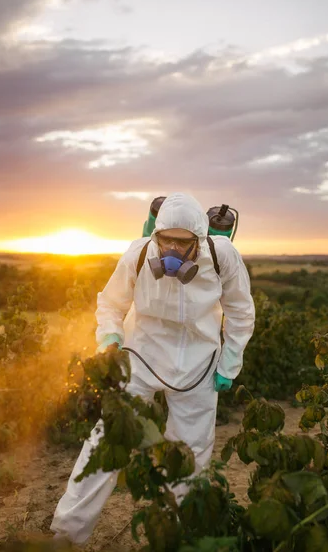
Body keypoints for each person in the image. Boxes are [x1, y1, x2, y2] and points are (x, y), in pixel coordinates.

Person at [50, 192, 255, 546]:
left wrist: (230, 363)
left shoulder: (224, 257)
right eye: (166, 241)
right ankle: (66, 535)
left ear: (202, 241)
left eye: (183, 243)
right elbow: (110, 304)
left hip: (199, 365)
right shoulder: (139, 253)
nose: (173, 250)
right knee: (105, 444)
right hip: (140, 359)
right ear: (155, 236)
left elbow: (240, 311)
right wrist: (110, 339)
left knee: (190, 458)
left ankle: (178, 536)